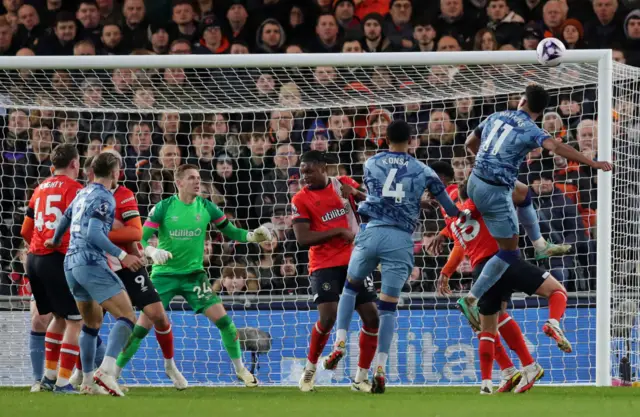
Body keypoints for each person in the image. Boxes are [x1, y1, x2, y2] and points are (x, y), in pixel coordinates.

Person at [459, 84, 613, 327]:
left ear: (522, 101)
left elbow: (469, 143)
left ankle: (540, 245)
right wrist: (592, 163)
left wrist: (485, 162)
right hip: (494, 191)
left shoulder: (496, 115)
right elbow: (557, 147)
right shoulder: (532, 129)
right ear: (540, 112)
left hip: (475, 181)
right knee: (509, 252)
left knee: (523, 192)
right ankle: (471, 298)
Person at [334, 120, 460, 393]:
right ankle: (380, 366)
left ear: (385, 138)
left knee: (350, 289)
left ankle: (340, 340)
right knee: (388, 307)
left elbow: (382, 196)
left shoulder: (370, 163)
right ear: (412, 139)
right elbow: (450, 209)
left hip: (371, 233)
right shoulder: (424, 170)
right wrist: (464, 214)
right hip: (400, 240)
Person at [125, 164, 272, 387]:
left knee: (225, 322)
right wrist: (152, 251)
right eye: (192, 178)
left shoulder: (206, 206)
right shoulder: (163, 208)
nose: (197, 182)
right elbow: (140, 238)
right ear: (179, 182)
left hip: (194, 277)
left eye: (199, 178)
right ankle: (112, 371)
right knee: (141, 328)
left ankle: (240, 370)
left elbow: (231, 231)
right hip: (164, 276)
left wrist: (252, 236)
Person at [430, 180, 572, 394]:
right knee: (556, 291)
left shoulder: (453, 222)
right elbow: (515, 195)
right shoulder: (482, 202)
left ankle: (494, 380)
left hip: (481, 272)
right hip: (504, 260)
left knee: (489, 326)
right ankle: (552, 323)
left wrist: (446, 268)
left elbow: (459, 246)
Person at [80, 153, 187, 390]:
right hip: (97, 266)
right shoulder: (86, 196)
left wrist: (108, 234)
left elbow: (134, 233)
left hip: (127, 264)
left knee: (157, 314)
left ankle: (170, 365)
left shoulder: (124, 195)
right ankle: (86, 375)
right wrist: (112, 231)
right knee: (92, 323)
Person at [47, 152, 145, 396]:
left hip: (70, 264)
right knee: (128, 316)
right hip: (90, 261)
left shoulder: (83, 192)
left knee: (91, 324)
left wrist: (55, 239)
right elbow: (94, 234)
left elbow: (67, 217)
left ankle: (88, 381)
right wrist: (123, 256)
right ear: (115, 173)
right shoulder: (105, 198)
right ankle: (106, 369)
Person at [291, 150, 379, 393]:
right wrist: (338, 232)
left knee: (372, 317)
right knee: (328, 317)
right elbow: (302, 238)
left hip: (356, 259)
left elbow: (375, 202)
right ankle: (309, 370)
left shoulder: (344, 184)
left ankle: (361, 377)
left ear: (324, 167)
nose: (305, 176)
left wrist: (357, 193)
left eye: (309, 170)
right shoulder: (300, 199)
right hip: (323, 263)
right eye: (302, 171)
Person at [20, 144, 86, 393]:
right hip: (57, 257)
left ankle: (47, 378)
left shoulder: (39, 189)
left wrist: (39, 245)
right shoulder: (76, 190)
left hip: (34, 259)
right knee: (75, 321)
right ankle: (63, 381)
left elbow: (25, 230)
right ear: (74, 164)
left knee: (58, 318)